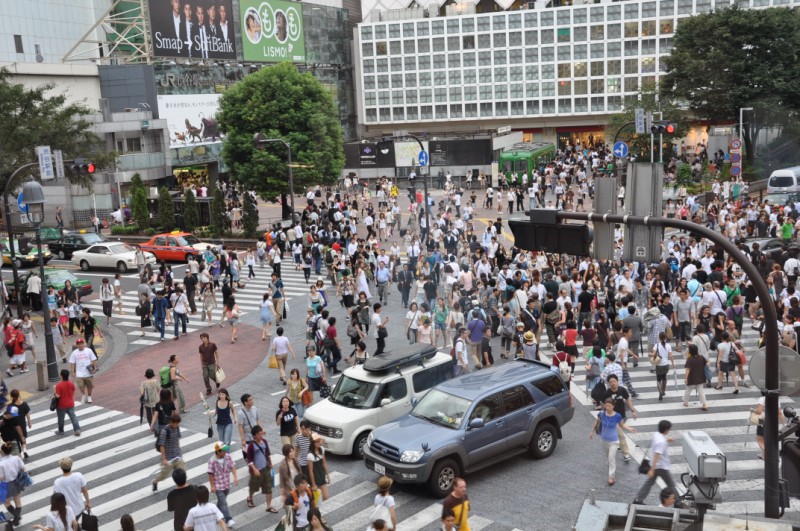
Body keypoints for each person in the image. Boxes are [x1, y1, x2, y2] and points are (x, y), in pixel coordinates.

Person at [590, 398, 636, 486]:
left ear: (613, 406)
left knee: (611, 458)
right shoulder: (602, 413)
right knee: (608, 457)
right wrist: (592, 431)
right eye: (606, 406)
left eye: (609, 406)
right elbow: (597, 421)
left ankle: (611, 477)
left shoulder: (617, 416)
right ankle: (611, 469)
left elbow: (621, 425)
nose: (607, 408)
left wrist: (630, 428)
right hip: (603, 440)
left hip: (614, 441)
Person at [633, 420, 681, 505]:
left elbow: (658, 445)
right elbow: (657, 455)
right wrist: (652, 469)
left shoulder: (657, 435)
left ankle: (638, 500)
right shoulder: (661, 442)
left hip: (655, 466)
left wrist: (666, 441)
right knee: (671, 484)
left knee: (648, 483)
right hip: (661, 467)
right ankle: (678, 502)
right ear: (666, 430)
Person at [601, 374, 637, 463]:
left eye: (614, 381)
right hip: (612, 418)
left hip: (622, 416)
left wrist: (632, 410)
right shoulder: (607, 393)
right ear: (608, 384)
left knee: (617, 433)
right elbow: (604, 405)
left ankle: (616, 444)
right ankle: (626, 454)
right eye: (611, 382)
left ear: (617, 381)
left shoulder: (622, 390)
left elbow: (628, 399)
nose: (613, 383)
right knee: (621, 435)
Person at [244, 425, 277, 513]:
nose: (261, 435)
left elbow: (268, 453)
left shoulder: (264, 442)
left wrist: (270, 462)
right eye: (259, 434)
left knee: (268, 487)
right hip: (256, 471)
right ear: (254, 436)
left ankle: (268, 506)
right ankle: (250, 497)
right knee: (254, 487)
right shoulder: (251, 446)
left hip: (265, 469)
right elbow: (249, 460)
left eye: (261, 433)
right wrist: (254, 469)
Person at [152, 413, 186, 492]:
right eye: (175, 423)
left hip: (177, 456)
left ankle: (181, 488)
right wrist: (164, 459)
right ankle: (155, 482)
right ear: (171, 422)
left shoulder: (177, 428)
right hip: (168, 458)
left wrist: (179, 452)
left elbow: (177, 439)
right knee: (163, 476)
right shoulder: (165, 431)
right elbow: (162, 445)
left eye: (178, 423)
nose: (177, 425)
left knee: (182, 473)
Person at [207, 442, 238, 528]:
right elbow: (210, 474)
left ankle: (214, 515)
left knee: (221, 502)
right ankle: (228, 519)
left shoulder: (227, 457)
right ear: (218, 451)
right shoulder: (212, 461)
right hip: (218, 485)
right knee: (223, 502)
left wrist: (235, 477)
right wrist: (212, 486)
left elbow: (233, 466)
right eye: (223, 450)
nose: (225, 451)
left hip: (226, 484)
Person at [53, 457, 90, 525]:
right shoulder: (79, 476)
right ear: (71, 466)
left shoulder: (57, 482)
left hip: (68, 512)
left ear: (61, 468)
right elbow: (85, 490)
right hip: (79, 507)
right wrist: (88, 502)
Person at [0, 441, 25, 525]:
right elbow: (23, 468)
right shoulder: (16, 458)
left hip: (6, 484)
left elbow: (1, 477)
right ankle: (16, 519)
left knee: (6, 502)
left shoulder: (1, 463)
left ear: (2, 451)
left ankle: (16, 516)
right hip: (16, 482)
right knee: (17, 500)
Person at [53, 369, 81, 437]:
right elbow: (73, 392)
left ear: (61, 375)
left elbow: (57, 395)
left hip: (61, 405)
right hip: (70, 403)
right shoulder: (71, 383)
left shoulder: (59, 385)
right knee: (73, 417)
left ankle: (61, 431)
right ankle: (77, 430)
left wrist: (54, 389)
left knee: (61, 419)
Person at [68, 338, 97, 404]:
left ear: (83, 344)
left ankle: (89, 396)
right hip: (79, 373)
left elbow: (93, 359)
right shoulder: (74, 353)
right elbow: (72, 363)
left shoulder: (89, 350)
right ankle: (84, 394)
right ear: (77, 345)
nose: (80, 345)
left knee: (89, 385)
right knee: (80, 385)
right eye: (78, 344)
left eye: (81, 343)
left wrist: (95, 368)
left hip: (88, 372)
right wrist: (73, 372)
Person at [683, 344, 709, 410]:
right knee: (701, 391)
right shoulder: (701, 357)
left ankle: (686, 402)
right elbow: (707, 363)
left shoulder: (690, 359)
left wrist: (686, 378)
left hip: (691, 378)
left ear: (690, 351)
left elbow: (687, 369)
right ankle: (704, 404)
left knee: (688, 390)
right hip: (701, 377)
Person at [650, 332, 674, 401]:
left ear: (659, 338)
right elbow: (671, 356)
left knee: (658, 379)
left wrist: (650, 354)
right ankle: (663, 391)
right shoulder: (668, 346)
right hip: (666, 365)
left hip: (659, 365)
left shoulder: (656, 345)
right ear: (665, 338)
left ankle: (660, 392)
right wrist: (673, 363)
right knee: (664, 378)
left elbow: (653, 354)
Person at [237, 394, 261, 460]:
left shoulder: (255, 408)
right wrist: (243, 440)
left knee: (258, 453)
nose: (252, 401)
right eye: (250, 400)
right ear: (245, 402)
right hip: (247, 437)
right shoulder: (240, 413)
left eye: (251, 399)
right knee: (247, 455)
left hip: (256, 436)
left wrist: (260, 431)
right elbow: (240, 427)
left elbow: (257, 420)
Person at [307, 435, 330, 502]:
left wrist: (327, 475)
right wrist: (313, 484)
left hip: (322, 475)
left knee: (326, 496)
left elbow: (324, 463)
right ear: (313, 443)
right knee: (317, 499)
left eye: (319, 441)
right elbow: (310, 470)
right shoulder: (310, 455)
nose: (320, 443)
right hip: (315, 477)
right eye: (317, 441)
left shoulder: (321, 449)